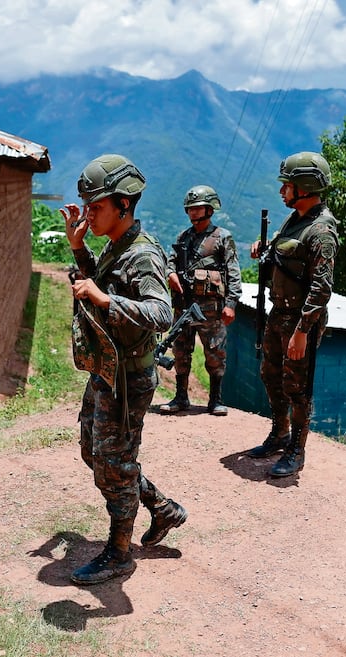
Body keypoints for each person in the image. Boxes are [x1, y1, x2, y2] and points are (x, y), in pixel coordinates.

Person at [59, 154, 188, 585]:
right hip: (107, 371)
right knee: (96, 454)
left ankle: (119, 552)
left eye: (96, 207)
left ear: (124, 205)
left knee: (114, 461)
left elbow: (161, 312)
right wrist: (79, 249)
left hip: (129, 379)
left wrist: (103, 299)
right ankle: (162, 508)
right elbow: (99, 282)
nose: (88, 214)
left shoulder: (144, 255)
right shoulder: (116, 244)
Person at [244, 151, 339, 477]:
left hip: (301, 322)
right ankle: (279, 433)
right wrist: (264, 249)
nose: (283, 191)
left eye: (288, 185)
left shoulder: (321, 231)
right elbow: (286, 255)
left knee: (297, 387)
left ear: (306, 186)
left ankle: (296, 450)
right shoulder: (296, 221)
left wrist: (302, 332)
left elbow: (321, 289)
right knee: (271, 376)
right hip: (278, 314)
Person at [156, 185, 242, 416]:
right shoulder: (183, 238)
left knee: (215, 354)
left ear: (209, 209)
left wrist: (231, 304)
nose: (192, 213)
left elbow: (233, 272)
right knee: (181, 351)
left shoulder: (223, 238)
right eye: (190, 209)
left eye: (197, 208)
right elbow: (170, 262)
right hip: (184, 307)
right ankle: (181, 397)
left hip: (211, 310)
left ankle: (215, 400)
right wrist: (170, 274)